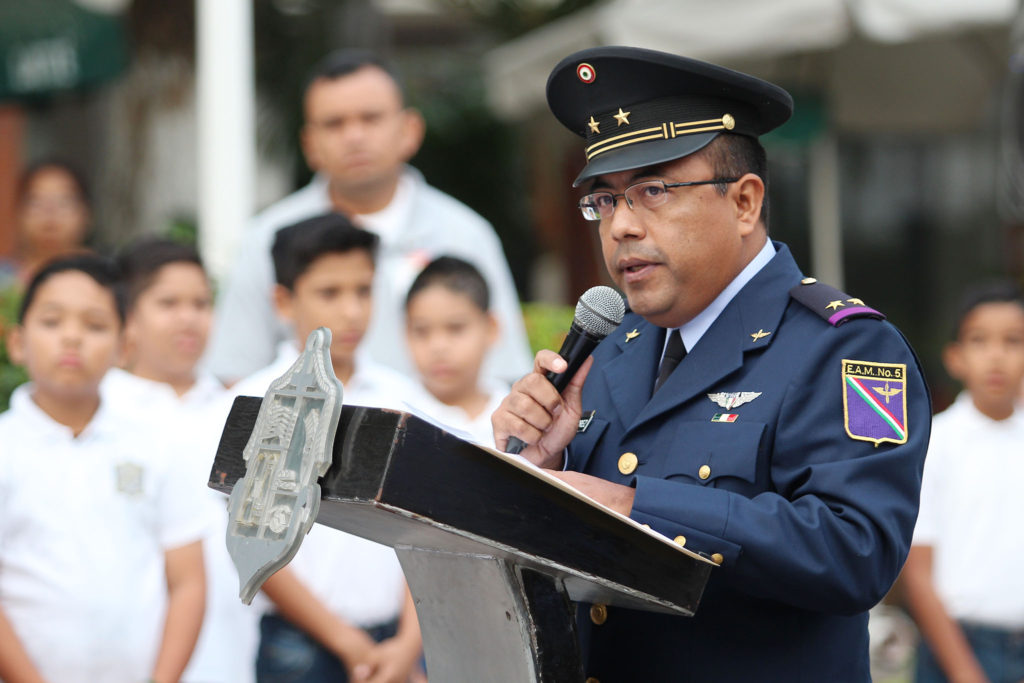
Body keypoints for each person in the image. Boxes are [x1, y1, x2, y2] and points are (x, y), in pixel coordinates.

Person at [491, 46, 931, 681]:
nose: (621, 227)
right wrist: (542, 468)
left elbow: (857, 552)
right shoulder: (613, 346)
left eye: (653, 190)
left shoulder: (847, 348)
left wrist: (632, 508)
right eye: (607, 201)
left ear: (745, 202)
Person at [207, 48, 531, 386]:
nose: (354, 137)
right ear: (309, 144)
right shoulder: (268, 236)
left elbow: (503, 375)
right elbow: (236, 375)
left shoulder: (466, 235)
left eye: (370, 118)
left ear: (410, 129)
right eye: (335, 123)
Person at [231, 213, 423, 683]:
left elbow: (425, 531)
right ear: (282, 300)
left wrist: (407, 646)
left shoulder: (404, 399)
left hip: (399, 641)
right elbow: (252, 538)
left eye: (363, 290)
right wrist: (344, 640)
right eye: (330, 293)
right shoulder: (257, 402)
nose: (353, 311)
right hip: (296, 646)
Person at [0, 254, 208, 683]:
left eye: (95, 325)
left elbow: (188, 581)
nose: (72, 337)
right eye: (52, 322)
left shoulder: (156, 444)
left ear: (124, 348)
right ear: (17, 342)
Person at [101, 237, 260, 683]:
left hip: (232, 649)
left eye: (201, 303)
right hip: (132, 656)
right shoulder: (102, 414)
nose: (189, 317)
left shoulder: (240, 412)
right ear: (127, 316)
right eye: (168, 302)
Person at [901, 283, 1024, 683]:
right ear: (955, 357)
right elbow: (917, 571)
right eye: (979, 340)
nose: (996, 355)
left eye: (1013, 341)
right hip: (956, 650)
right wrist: (963, 670)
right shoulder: (935, 443)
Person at [403, 255, 508, 447]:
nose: (438, 346)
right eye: (421, 330)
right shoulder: (393, 414)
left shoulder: (518, 416)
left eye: (456, 328)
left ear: (491, 328)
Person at [0, 159, 93, 290]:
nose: (50, 213)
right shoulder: (4, 281)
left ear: (86, 213)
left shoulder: (105, 281)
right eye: (36, 203)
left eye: (63, 202)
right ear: (18, 213)